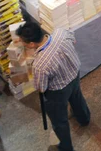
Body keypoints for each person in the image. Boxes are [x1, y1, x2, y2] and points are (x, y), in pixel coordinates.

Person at [16, 22, 90, 151]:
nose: (21, 43)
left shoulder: (40, 64)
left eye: (23, 42)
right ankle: (84, 119)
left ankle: (66, 147)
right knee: (77, 97)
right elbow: (73, 39)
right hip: (74, 74)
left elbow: (41, 87)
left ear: (32, 44)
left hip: (58, 90)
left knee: (59, 120)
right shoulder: (60, 32)